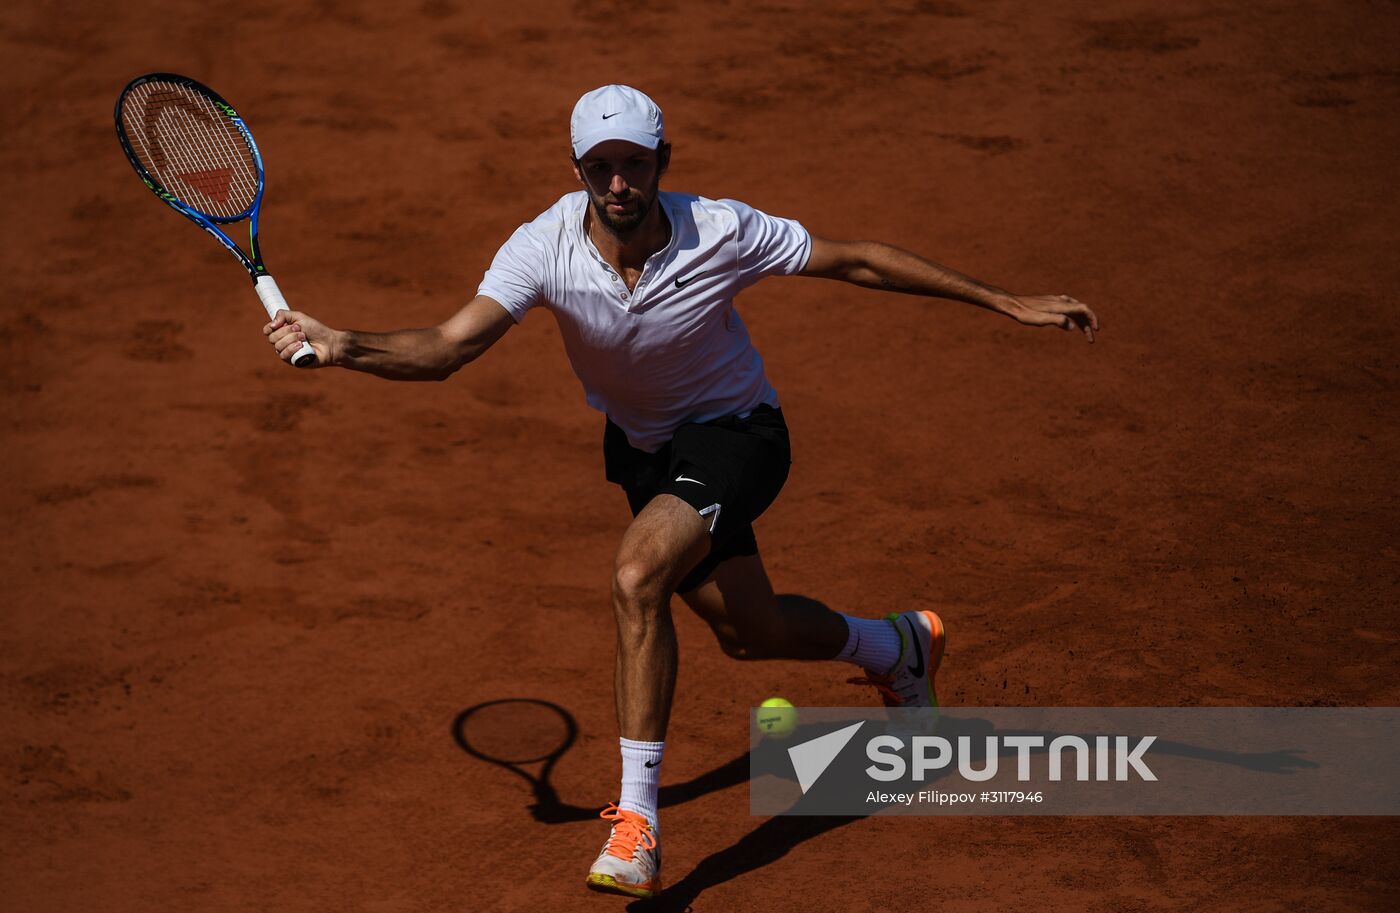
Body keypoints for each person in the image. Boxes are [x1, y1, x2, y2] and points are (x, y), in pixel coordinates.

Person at [264, 84, 1099, 900]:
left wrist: (1005, 300)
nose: (618, 184)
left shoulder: (722, 231)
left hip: (739, 436)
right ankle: (896, 647)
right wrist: (342, 343)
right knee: (749, 630)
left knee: (636, 576)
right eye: (600, 168)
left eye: (634, 164)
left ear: (662, 161)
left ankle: (637, 824)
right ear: (577, 170)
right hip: (646, 456)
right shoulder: (542, 245)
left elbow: (857, 261)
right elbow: (448, 346)